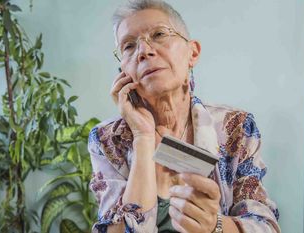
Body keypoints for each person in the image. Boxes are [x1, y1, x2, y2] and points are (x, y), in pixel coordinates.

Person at [88, 0, 280, 232]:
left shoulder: (235, 128)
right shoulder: (108, 139)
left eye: (159, 34)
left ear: (192, 53)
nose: (144, 51)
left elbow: (265, 226)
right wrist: (142, 136)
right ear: (123, 73)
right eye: (128, 46)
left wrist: (215, 226)